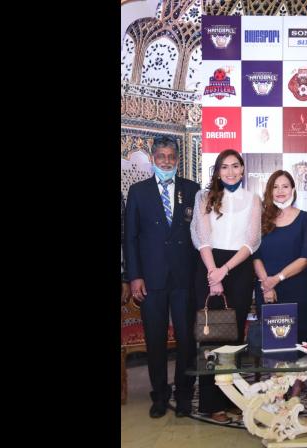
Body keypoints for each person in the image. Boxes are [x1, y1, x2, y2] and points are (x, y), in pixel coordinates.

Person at [124, 136, 199, 418]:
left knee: (185, 340)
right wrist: (134, 277)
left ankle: (183, 394)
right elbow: (130, 238)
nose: (166, 161)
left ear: (177, 159)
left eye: (171, 156)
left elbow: (200, 235)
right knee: (154, 340)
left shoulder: (192, 189)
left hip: (184, 278)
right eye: (161, 156)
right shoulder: (138, 192)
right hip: (150, 280)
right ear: (153, 159)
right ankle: (159, 394)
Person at [190, 149, 261, 423]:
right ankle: (211, 402)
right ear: (217, 171)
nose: (230, 171)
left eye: (235, 166)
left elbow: (251, 242)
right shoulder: (204, 197)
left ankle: (233, 398)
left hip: (238, 269)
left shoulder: (253, 199)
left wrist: (225, 271)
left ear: (243, 170)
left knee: (233, 337)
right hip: (209, 266)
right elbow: (202, 238)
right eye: (224, 167)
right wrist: (213, 274)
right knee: (211, 337)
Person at [253, 170, 307, 344]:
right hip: (267, 291)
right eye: (275, 187)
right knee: (274, 350)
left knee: (300, 350)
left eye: (285, 186)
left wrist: (277, 279)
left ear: (293, 190)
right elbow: (255, 257)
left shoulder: (306, 219)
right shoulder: (260, 219)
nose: (280, 191)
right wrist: (267, 284)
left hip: (298, 290)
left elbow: (306, 258)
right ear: (269, 191)